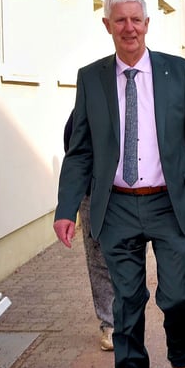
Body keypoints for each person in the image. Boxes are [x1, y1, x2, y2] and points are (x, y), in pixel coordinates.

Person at [54, 0, 185, 368]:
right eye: (120, 20)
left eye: (137, 19)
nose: (129, 27)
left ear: (147, 24)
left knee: (179, 295)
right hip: (118, 207)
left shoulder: (177, 72)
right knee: (126, 304)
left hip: (169, 204)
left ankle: (183, 359)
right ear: (107, 25)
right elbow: (80, 150)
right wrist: (67, 207)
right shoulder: (91, 79)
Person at [64, 111, 115, 351]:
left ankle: (128, 318)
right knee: (98, 258)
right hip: (92, 194)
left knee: (128, 256)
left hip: (128, 196)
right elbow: (73, 152)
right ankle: (110, 324)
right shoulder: (83, 110)